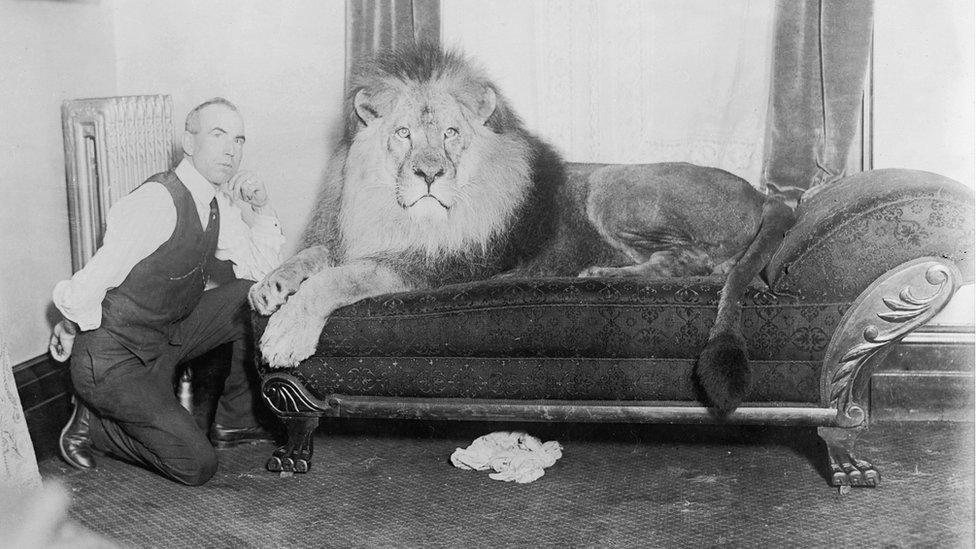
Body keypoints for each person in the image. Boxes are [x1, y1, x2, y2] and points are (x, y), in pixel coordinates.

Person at [48, 97, 285, 486]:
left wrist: (262, 207)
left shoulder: (216, 203)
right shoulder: (157, 201)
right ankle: (94, 426)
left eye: (239, 140)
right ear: (189, 143)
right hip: (112, 360)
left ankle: (235, 421)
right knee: (197, 466)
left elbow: (260, 273)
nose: (231, 149)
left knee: (250, 295)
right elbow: (99, 271)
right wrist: (70, 324)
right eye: (218, 134)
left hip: (164, 340)